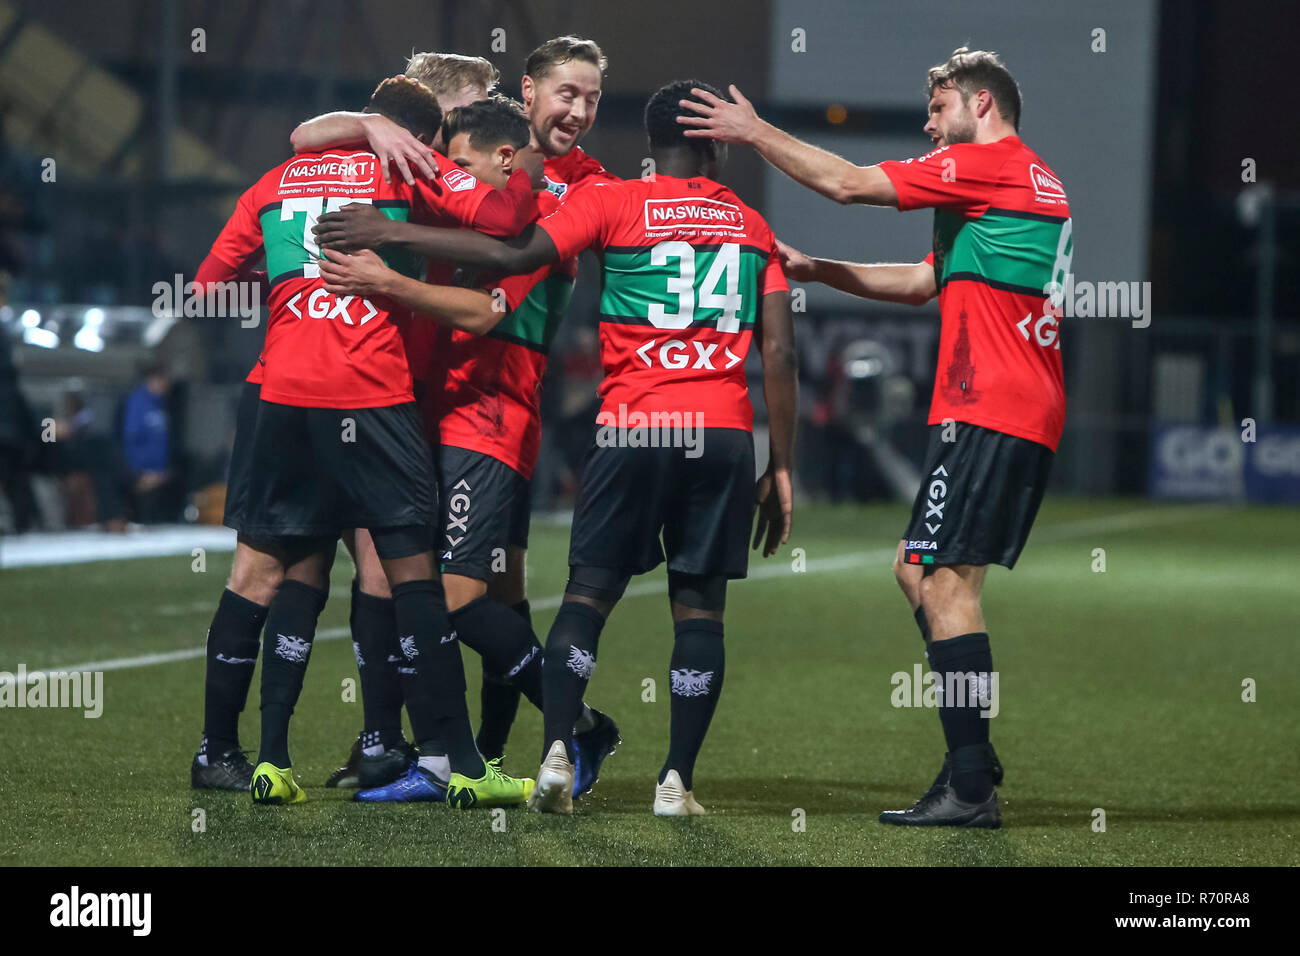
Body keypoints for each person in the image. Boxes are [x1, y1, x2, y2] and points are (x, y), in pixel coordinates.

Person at [314, 79, 798, 817]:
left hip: (632, 425)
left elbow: (513, 256)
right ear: (717, 146)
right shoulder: (752, 226)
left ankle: (556, 756)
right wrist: (782, 463)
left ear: (651, 143)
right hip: (722, 430)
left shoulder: (614, 202)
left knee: (584, 600)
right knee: (700, 611)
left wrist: (390, 235)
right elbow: (781, 353)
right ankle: (676, 783)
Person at [679, 47, 1071, 828]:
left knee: (946, 586)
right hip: (1003, 404)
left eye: (939, 107)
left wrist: (754, 132)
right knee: (914, 568)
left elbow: (848, 183)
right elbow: (926, 282)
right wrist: (817, 268)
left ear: (982, 104)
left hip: (991, 405)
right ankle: (973, 757)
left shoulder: (989, 166)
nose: (929, 125)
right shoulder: (1024, 180)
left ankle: (970, 784)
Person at [191, 76, 535, 809]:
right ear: (419, 138)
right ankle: (462, 765)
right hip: (370, 394)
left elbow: (208, 286)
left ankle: (237, 755)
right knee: (412, 576)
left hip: (280, 394)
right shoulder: (409, 174)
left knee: (269, 572)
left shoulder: (275, 180)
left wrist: (291, 279)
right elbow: (507, 216)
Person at [297, 38, 625, 796]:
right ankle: (420, 749)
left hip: (494, 407)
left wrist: (388, 246)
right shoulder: (459, 161)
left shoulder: (575, 190)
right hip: (425, 403)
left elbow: (498, 281)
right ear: (528, 94)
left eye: (591, 98)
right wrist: (372, 124)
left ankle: (525, 740)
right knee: (412, 577)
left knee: (477, 592)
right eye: (566, 93)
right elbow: (309, 137)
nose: (577, 111)